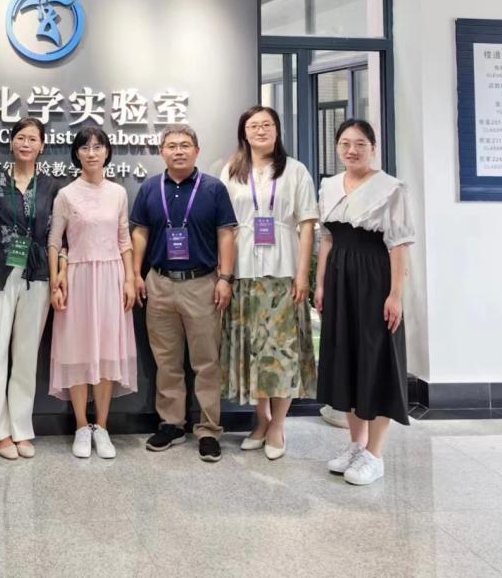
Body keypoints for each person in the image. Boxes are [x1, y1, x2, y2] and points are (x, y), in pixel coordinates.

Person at [315, 119, 414, 486]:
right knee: (346, 358)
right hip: (339, 279)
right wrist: (320, 284)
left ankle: (375, 453)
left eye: (359, 143)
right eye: (345, 143)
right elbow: (327, 239)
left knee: (377, 359)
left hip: (375, 279)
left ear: (373, 147)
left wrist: (395, 294)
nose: (351, 150)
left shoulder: (390, 188)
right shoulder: (329, 186)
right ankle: (357, 444)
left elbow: (399, 245)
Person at [130, 124, 237, 462]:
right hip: (159, 283)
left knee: (206, 362)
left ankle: (208, 430)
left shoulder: (214, 188)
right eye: (172, 145)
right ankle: (172, 424)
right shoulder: (150, 188)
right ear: (162, 152)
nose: (178, 150)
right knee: (167, 361)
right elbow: (140, 233)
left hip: (202, 284)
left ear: (196, 151)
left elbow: (226, 234)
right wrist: (135, 274)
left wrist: (226, 278)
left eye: (185, 145)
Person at [219, 106, 318, 460]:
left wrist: (303, 274)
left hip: (283, 270)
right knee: (253, 351)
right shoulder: (232, 171)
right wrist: (224, 274)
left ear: (277, 130)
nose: (260, 131)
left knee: (282, 352)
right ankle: (260, 420)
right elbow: (225, 226)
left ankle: (278, 425)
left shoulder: (296, 170)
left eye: (267, 125)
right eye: (253, 126)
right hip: (244, 271)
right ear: (243, 133)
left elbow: (307, 224)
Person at [0, 118, 61, 461]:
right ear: (11, 143)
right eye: (21, 137)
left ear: (42, 146)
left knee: (25, 356)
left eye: (33, 139)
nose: (26, 144)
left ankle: (21, 428)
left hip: (38, 276)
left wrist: (59, 276)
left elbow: (57, 237)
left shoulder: (51, 186)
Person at [48, 127, 137, 460]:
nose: (91, 153)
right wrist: (56, 280)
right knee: (78, 352)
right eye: (84, 147)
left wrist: (130, 279)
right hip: (78, 279)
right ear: (77, 154)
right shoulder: (66, 194)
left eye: (98, 147)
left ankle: (102, 427)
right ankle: (81, 427)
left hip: (111, 277)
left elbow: (124, 240)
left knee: (106, 352)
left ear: (107, 152)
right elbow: (55, 241)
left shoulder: (118, 193)